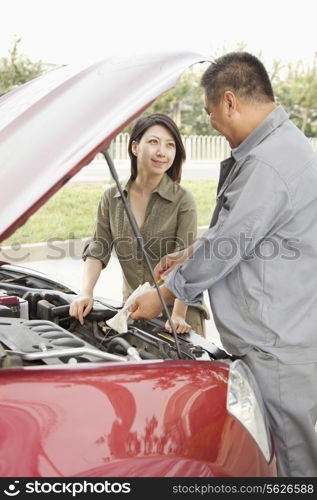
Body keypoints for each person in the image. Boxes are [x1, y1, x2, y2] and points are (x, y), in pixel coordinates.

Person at [129, 53, 317, 477]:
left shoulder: (269, 162)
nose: (213, 124)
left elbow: (230, 244)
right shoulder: (277, 146)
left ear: (230, 101)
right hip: (277, 336)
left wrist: (166, 294)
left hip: (276, 347)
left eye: (213, 115)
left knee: (291, 466)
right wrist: (190, 253)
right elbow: (242, 230)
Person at [69, 113, 208, 335]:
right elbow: (98, 249)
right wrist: (86, 292)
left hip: (178, 315)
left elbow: (187, 262)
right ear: (135, 147)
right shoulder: (111, 198)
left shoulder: (183, 201)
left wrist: (178, 315)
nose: (162, 151)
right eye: (154, 142)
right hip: (134, 311)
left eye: (170, 145)